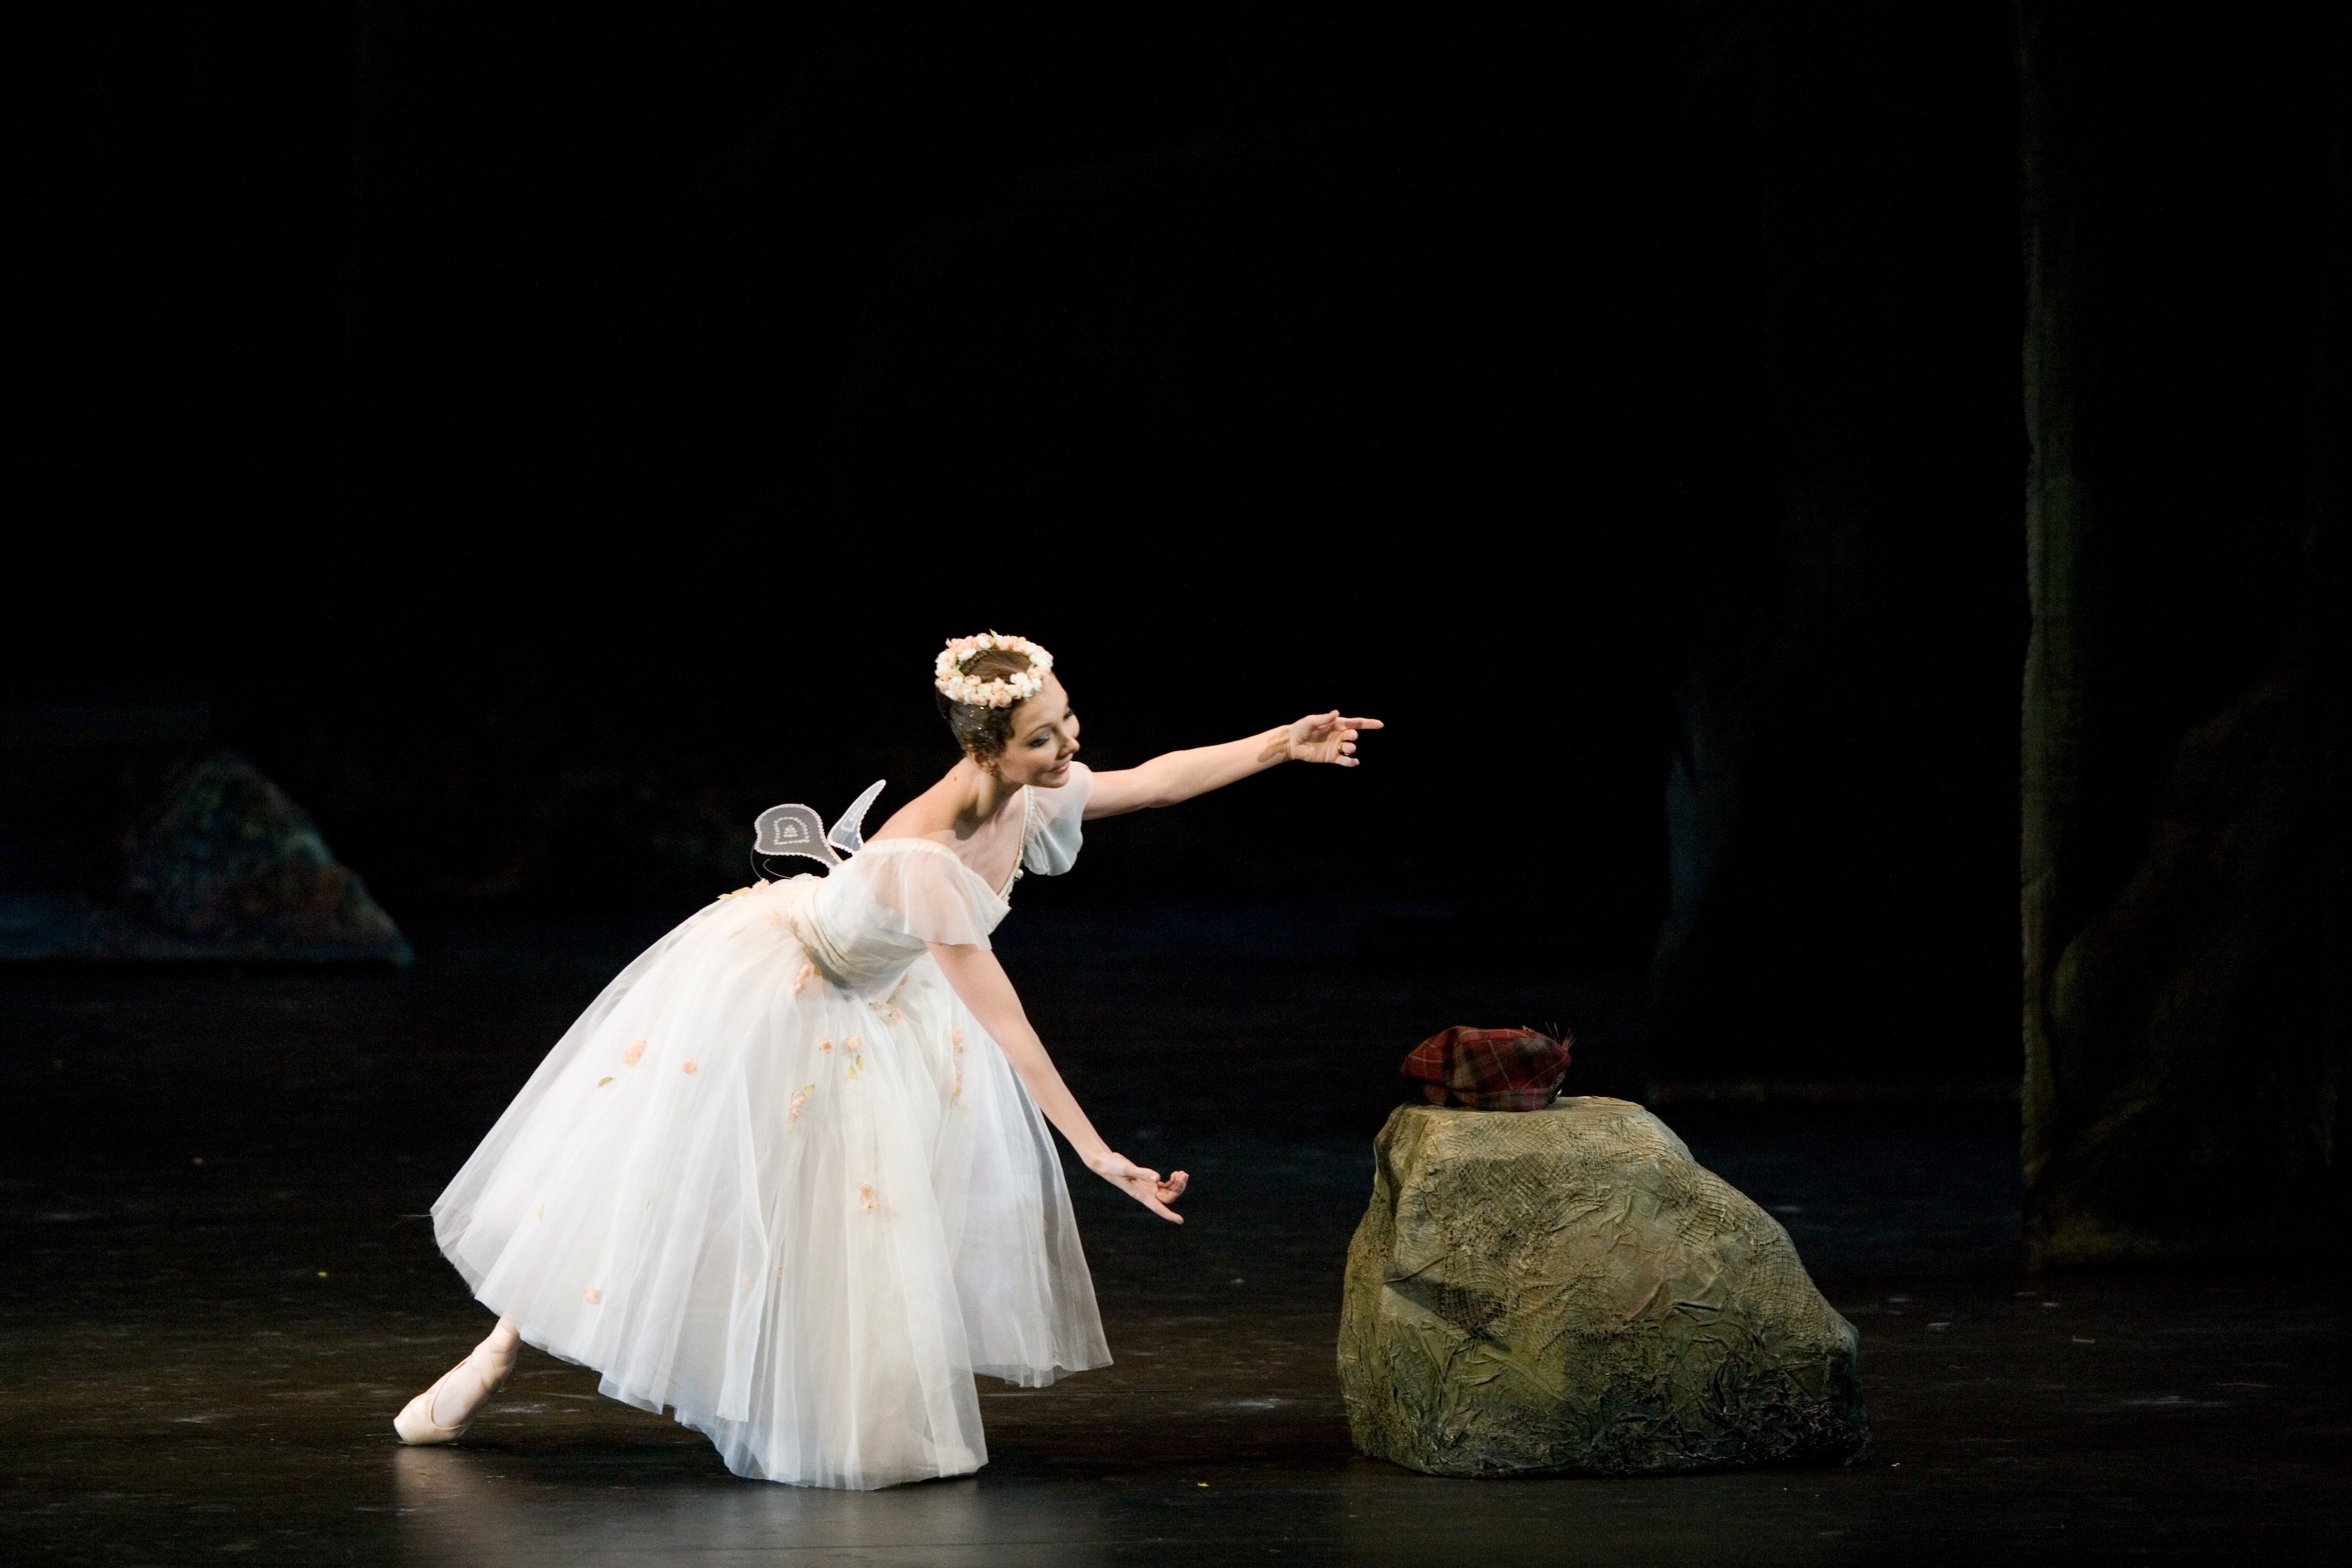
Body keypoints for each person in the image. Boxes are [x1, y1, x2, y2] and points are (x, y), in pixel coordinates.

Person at [394, 632, 1381, 1487]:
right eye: (1045, 735)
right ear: (981, 746)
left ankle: (837, 1399)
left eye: (1067, 721)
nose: (1070, 743)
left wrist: (1279, 746)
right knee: (654, 1178)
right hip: (785, 991)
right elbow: (1007, 1023)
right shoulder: (922, 853)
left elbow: (1154, 779)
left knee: (855, 1221)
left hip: (881, 1000)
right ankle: (497, 1349)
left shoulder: (1027, 793)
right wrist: (1094, 1150)